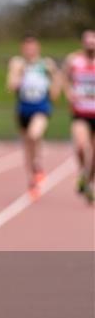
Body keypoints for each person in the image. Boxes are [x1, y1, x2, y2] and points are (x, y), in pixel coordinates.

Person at [7, 35, 60, 199]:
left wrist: (54, 92)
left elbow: (57, 79)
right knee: (27, 147)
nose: (30, 50)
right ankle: (33, 179)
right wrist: (20, 74)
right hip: (23, 109)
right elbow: (10, 86)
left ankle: (38, 164)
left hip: (41, 108)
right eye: (27, 47)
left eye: (33, 47)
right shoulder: (18, 63)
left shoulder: (46, 64)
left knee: (34, 134)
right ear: (23, 49)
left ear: (38, 48)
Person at [63, 30, 95, 204]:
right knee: (81, 146)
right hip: (81, 112)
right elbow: (65, 78)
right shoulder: (74, 60)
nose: (91, 45)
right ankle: (83, 171)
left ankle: (89, 183)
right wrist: (69, 92)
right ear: (83, 43)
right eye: (88, 42)